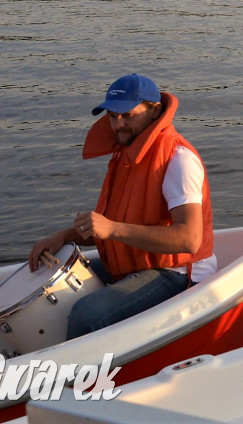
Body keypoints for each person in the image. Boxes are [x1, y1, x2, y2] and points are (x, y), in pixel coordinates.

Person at [28, 73, 216, 339]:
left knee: (86, 314)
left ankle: (77, 380)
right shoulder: (126, 154)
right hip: (139, 261)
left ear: (155, 111)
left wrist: (113, 229)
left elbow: (189, 239)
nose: (118, 125)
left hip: (178, 272)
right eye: (112, 116)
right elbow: (109, 227)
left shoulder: (177, 159)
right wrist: (61, 237)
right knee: (53, 277)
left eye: (128, 115)